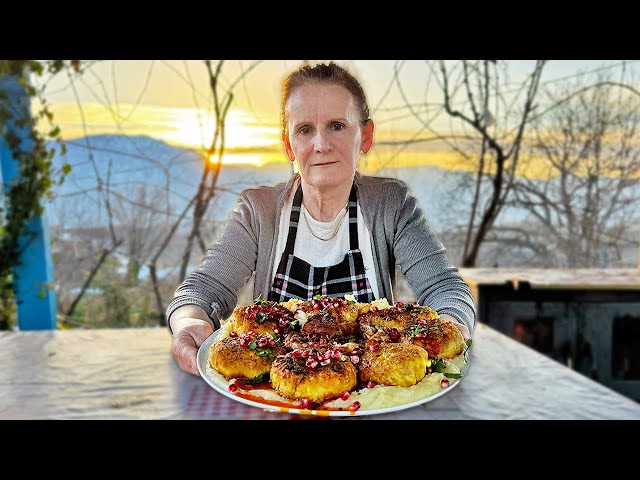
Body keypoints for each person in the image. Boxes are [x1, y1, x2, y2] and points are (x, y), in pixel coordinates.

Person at [166, 62, 477, 375]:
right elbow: (203, 290)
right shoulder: (259, 210)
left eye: (337, 126)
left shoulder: (391, 204)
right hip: (274, 392)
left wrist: (450, 328)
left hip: (371, 382)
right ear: (289, 145)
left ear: (365, 136)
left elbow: (445, 288)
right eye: (304, 130)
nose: (321, 145)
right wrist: (189, 323)